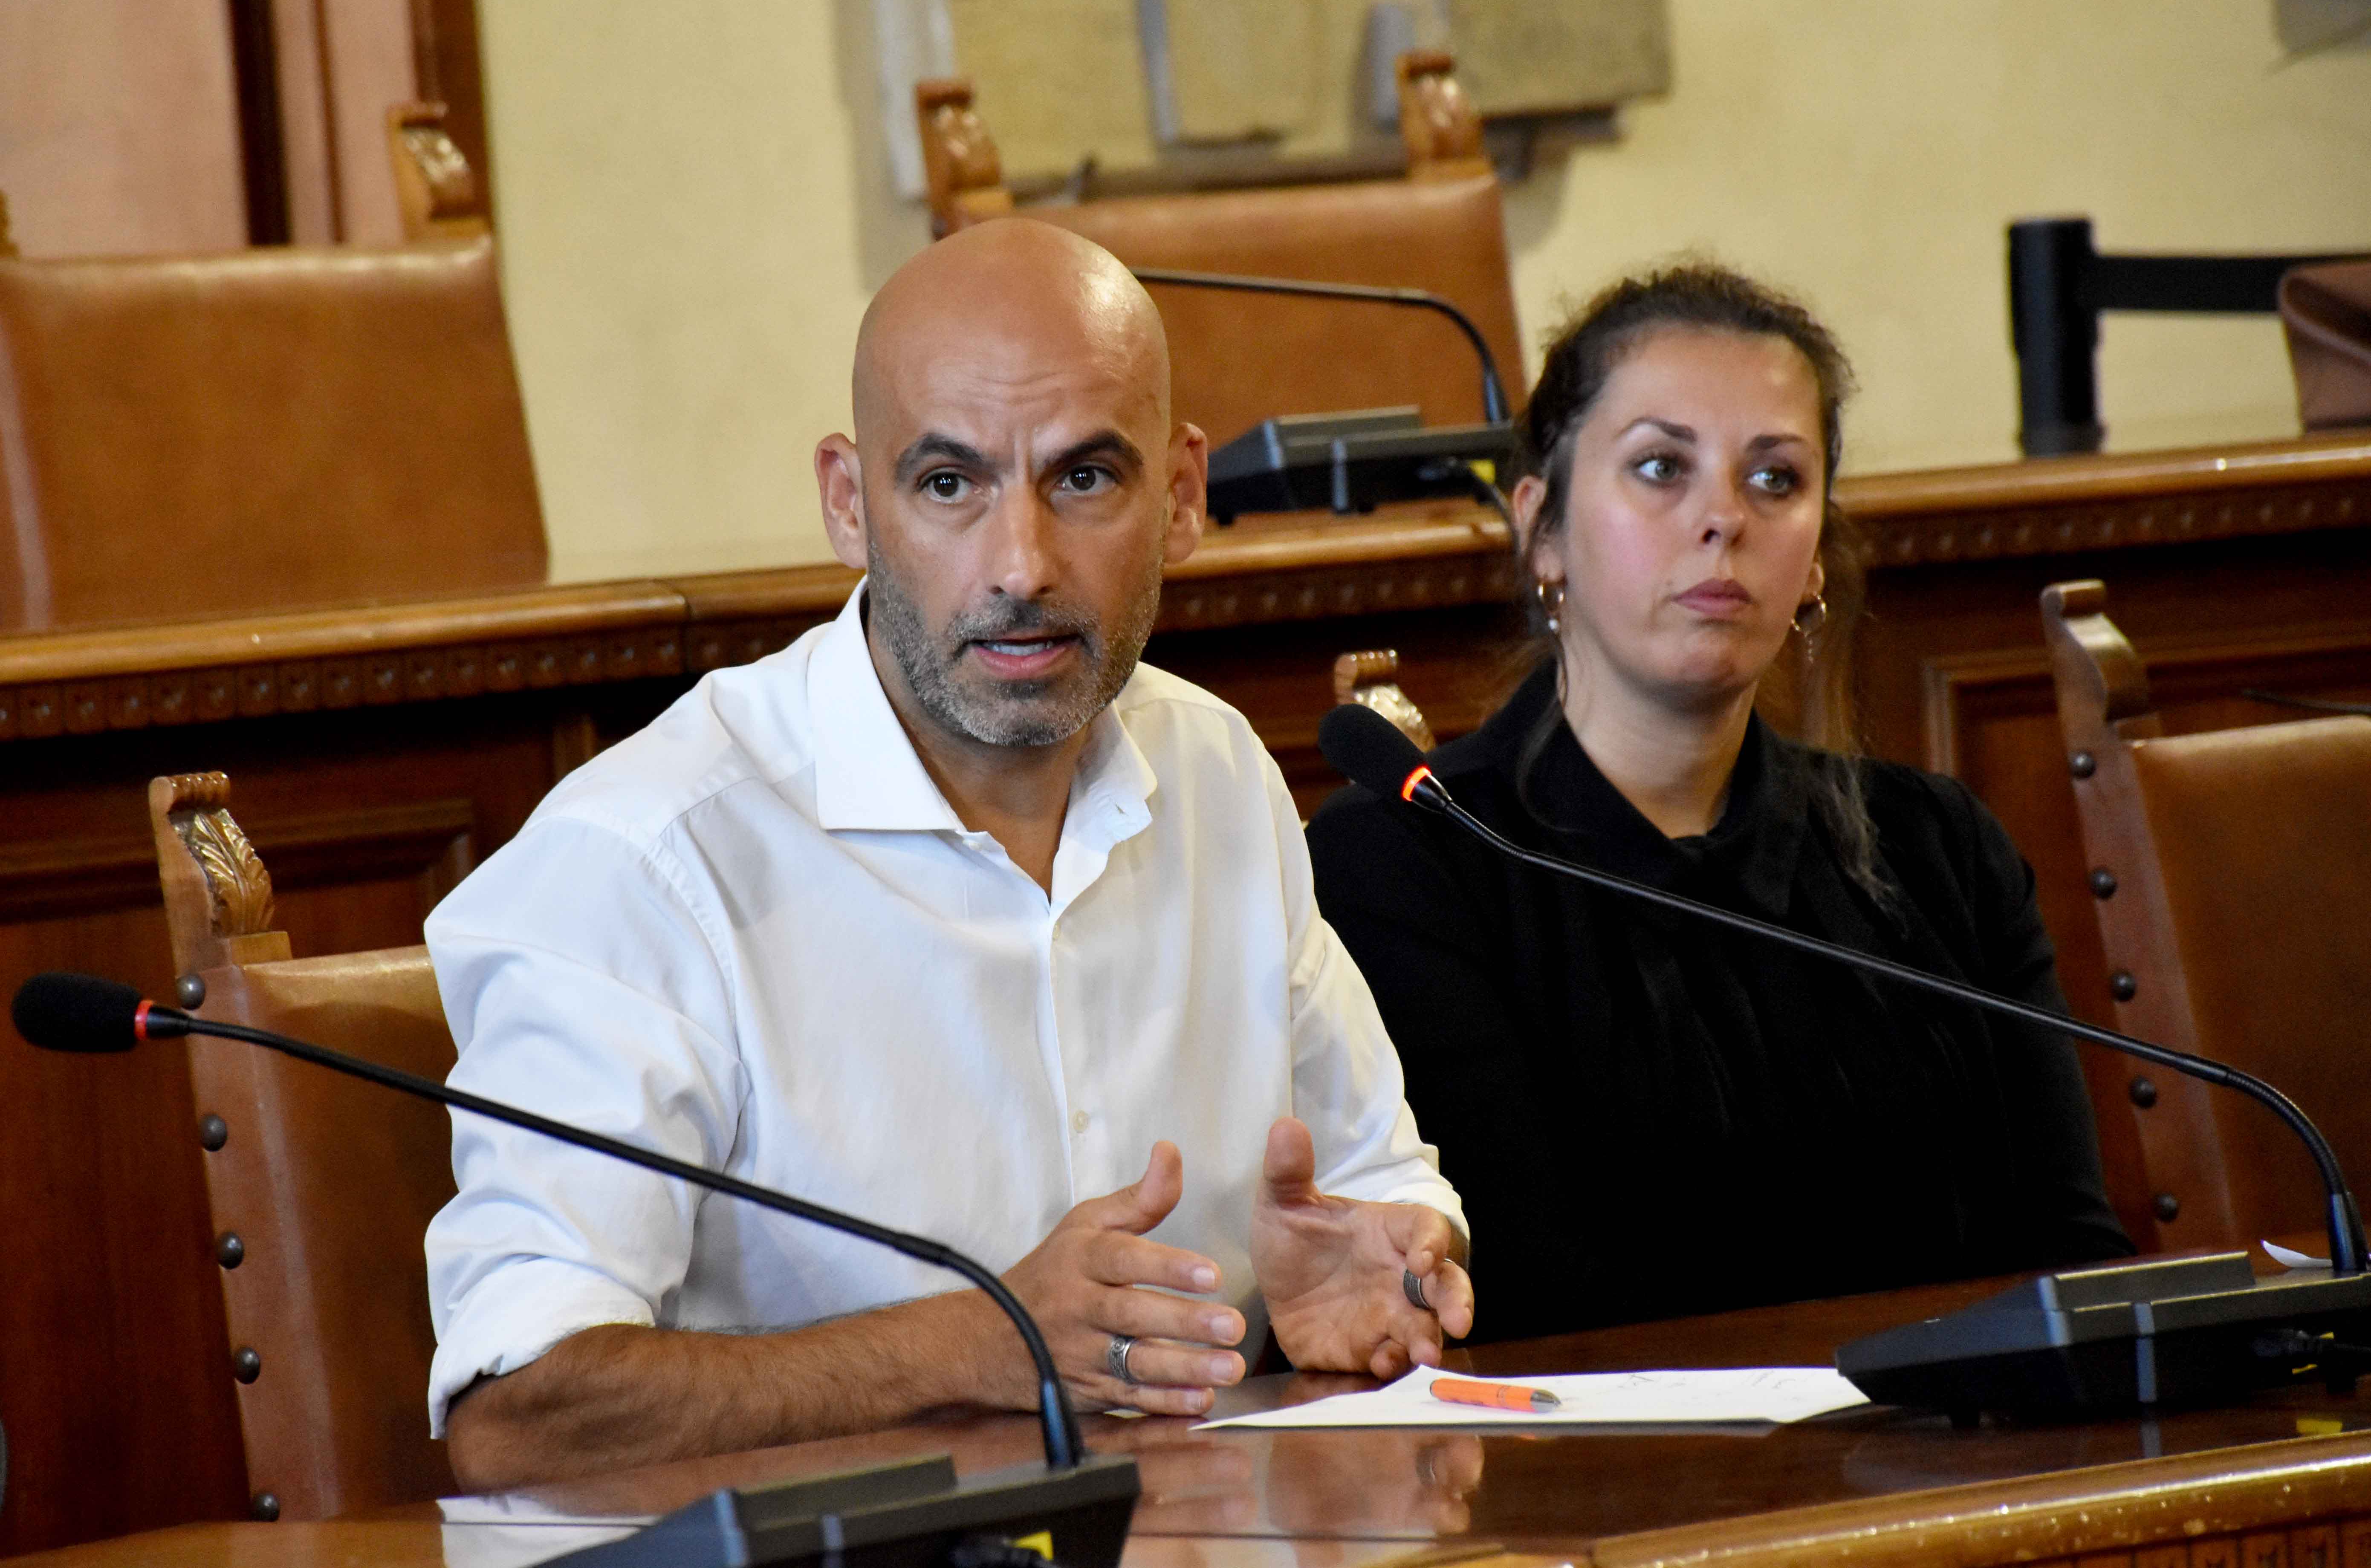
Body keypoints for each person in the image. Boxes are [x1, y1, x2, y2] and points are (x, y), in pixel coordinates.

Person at [425, 219, 1472, 1489]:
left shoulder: (1217, 774)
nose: (1020, 566)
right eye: (947, 485)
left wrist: (1378, 1272)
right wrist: (986, 1341)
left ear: (1184, 495)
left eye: (1084, 479)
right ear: (847, 502)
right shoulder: (647, 860)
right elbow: (517, 1413)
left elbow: (1376, 1185)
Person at [1306, 263, 2128, 1343]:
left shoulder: (1941, 851)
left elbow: (2071, 1256)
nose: (1724, 520)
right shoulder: (1409, 862)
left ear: (1818, 556)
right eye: (1661, 468)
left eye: (1776, 479)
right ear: (1543, 527)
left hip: (1961, 1439)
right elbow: (1529, 1295)